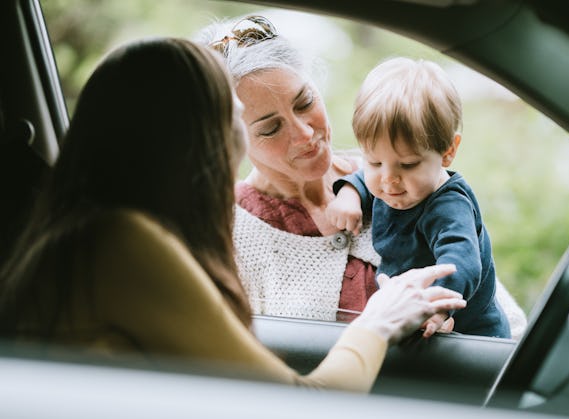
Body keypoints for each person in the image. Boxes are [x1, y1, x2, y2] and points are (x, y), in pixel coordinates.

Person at [0, 37, 466, 392]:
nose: (303, 133)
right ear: (195, 146)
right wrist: (378, 321)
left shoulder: (97, 237)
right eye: (245, 123)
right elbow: (298, 408)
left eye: (305, 101)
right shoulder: (120, 245)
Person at [196, 15, 526, 338]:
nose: (304, 133)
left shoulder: (396, 174)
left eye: (305, 102)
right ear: (231, 137)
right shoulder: (228, 231)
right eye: (271, 128)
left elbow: (494, 303)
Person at [327, 57, 510, 338]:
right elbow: (364, 177)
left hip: (471, 336)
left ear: (448, 151)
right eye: (375, 162)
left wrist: (436, 306)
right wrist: (350, 193)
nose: (388, 178)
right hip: (409, 316)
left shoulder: (449, 206)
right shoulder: (390, 180)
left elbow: (460, 261)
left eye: (408, 164)